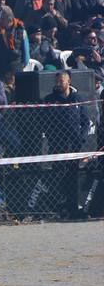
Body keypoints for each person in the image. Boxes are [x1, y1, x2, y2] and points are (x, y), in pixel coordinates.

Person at [42, 70, 90, 217]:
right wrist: (51, 137)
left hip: (75, 146)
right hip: (57, 146)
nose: (58, 83)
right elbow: (45, 122)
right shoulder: (50, 99)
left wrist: (81, 139)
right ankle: (61, 208)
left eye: (61, 81)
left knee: (73, 177)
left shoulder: (78, 99)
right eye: (56, 81)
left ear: (68, 81)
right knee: (58, 178)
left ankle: (74, 208)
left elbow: (86, 122)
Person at [0, 6, 29, 79]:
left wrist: (21, 66)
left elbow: (26, 55)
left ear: (10, 20)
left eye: (2, 19)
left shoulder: (21, 31)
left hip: (16, 70)